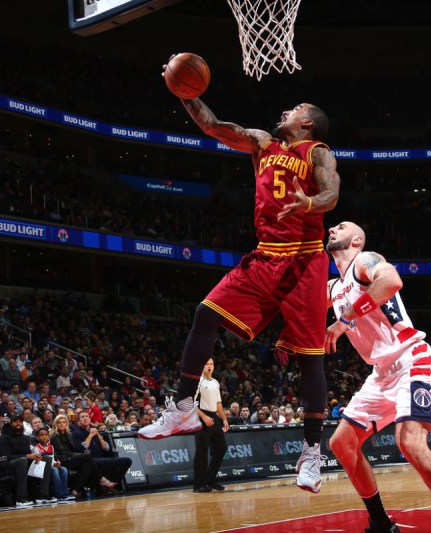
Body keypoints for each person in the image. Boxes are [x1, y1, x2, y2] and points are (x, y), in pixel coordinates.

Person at [140, 65, 340, 495]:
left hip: (305, 262)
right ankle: (179, 406)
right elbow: (213, 125)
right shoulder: (263, 144)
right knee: (205, 313)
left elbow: (331, 193)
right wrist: (183, 92)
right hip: (266, 257)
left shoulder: (318, 152)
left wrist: (308, 202)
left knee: (310, 357)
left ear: (306, 122)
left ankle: (310, 451)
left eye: (296, 108)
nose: (286, 109)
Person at [324, 221, 431, 533]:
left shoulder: (365, 261)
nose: (331, 228)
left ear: (356, 239)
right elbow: (296, 299)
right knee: (341, 443)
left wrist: (345, 319)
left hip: (412, 358)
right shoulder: (333, 286)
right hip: (381, 374)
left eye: (340, 227)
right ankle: (381, 523)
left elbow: (392, 280)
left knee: (409, 443)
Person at [50, 414, 116, 499]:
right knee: (87, 456)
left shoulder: (68, 434)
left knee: (87, 466)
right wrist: (79, 455)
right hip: (63, 460)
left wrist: (78, 455)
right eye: (59, 422)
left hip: (72, 458)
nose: (62, 424)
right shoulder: (55, 436)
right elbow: (64, 452)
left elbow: (74, 449)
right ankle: (102, 479)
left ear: (67, 424)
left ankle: (74, 490)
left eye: (64, 422)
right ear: (56, 424)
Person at [0, 414, 51, 506]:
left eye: (20, 422)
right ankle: (21, 498)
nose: (18, 423)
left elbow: (28, 455)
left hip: (23, 464)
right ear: (11, 423)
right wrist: (26, 456)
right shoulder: (3, 438)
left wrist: (35, 458)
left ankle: (43, 495)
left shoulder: (24, 438)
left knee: (46, 459)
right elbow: (3, 458)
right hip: (5, 467)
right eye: (15, 421)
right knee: (22, 460)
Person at [193, 358, 229, 493]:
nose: (209, 366)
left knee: (221, 448)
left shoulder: (215, 382)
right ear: (202, 366)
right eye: (206, 364)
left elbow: (218, 403)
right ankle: (198, 485)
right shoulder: (198, 381)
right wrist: (203, 416)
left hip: (214, 417)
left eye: (211, 364)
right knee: (201, 452)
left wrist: (224, 419)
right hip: (201, 418)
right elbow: (190, 402)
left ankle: (210, 480)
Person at [34, 427, 74, 501]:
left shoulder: (51, 447)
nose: (44, 436)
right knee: (54, 470)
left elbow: (52, 459)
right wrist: (53, 465)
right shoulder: (37, 448)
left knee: (63, 469)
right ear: (38, 437)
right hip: (42, 468)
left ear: (49, 436)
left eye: (46, 435)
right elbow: (38, 462)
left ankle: (66, 493)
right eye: (41, 435)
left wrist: (57, 463)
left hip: (51, 465)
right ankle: (60, 494)